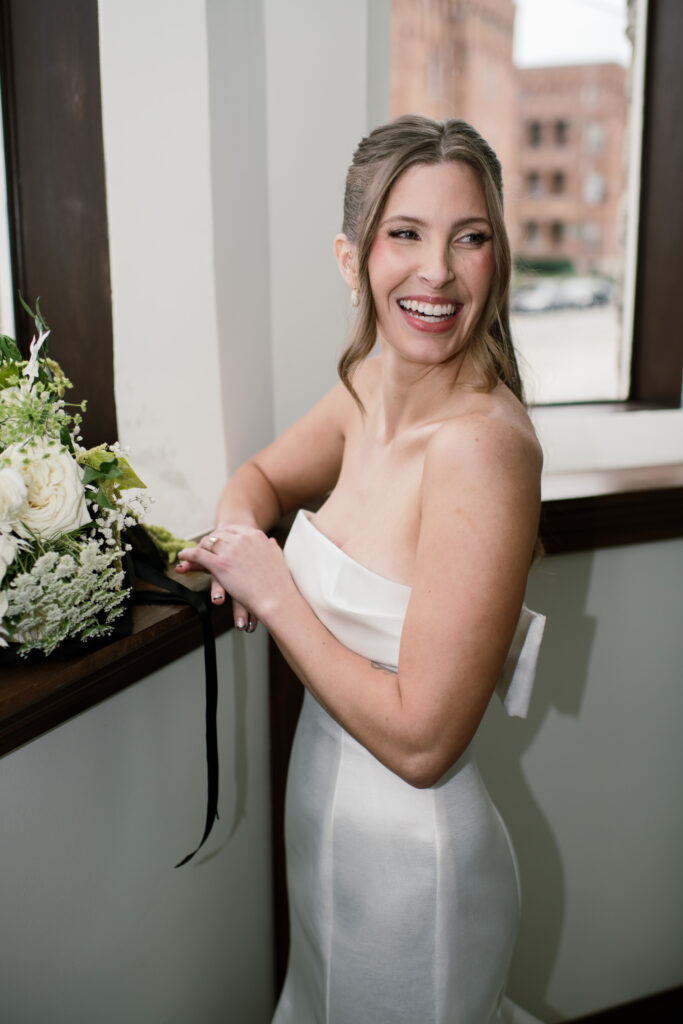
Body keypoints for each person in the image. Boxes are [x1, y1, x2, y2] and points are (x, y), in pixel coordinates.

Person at [177, 115, 545, 1024]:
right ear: (351, 258)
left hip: (415, 876)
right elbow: (257, 478)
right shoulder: (367, 387)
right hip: (322, 834)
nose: (437, 272)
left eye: (470, 238)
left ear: (496, 259)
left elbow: (424, 744)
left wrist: (273, 591)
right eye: (404, 234)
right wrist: (235, 541)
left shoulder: (483, 450)